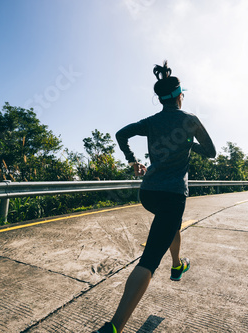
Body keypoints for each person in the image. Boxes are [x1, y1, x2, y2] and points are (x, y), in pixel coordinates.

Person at [93, 61, 216, 333]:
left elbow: (121, 134)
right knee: (149, 260)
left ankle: (176, 265)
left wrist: (133, 161)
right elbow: (211, 152)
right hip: (173, 194)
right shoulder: (190, 120)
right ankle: (114, 327)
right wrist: (189, 144)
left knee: (169, 225)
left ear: (161, 99)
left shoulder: (151, 121)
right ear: (180, 96)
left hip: (148, 193)